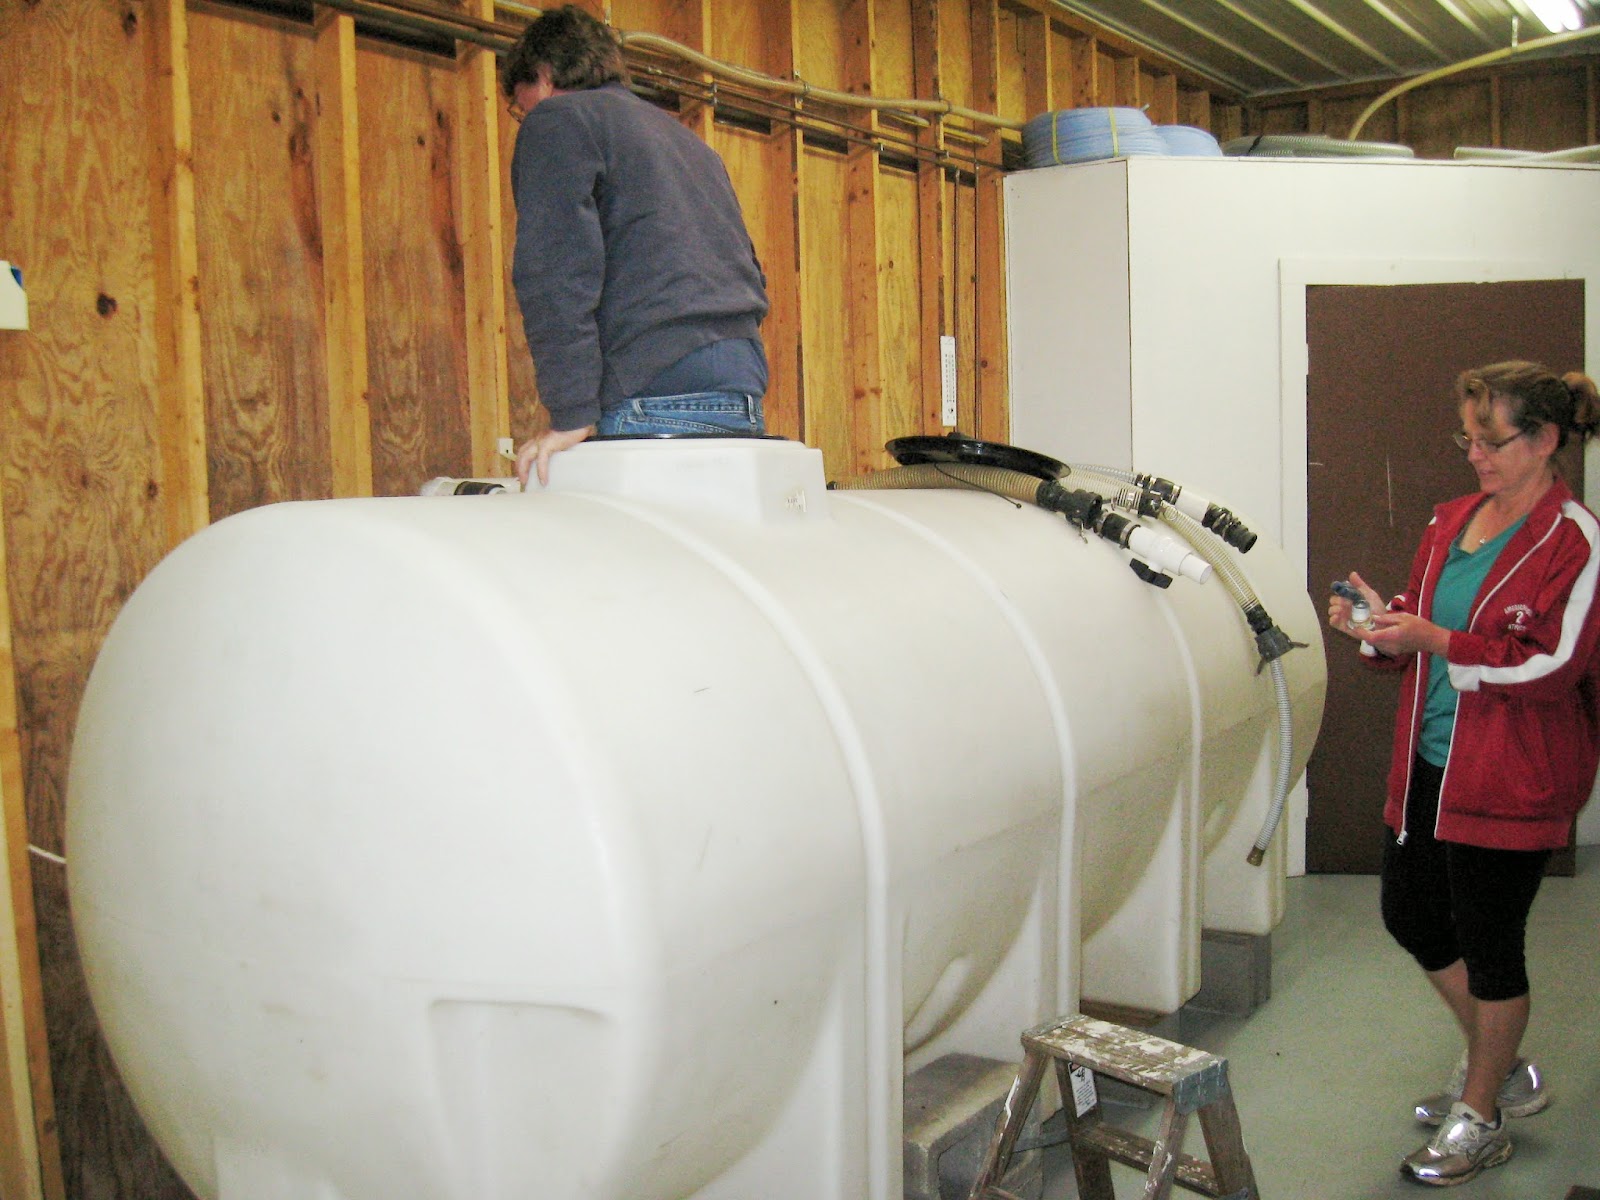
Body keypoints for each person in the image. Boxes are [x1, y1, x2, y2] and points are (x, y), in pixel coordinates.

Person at [1328, 361, 1600, 1186]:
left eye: (1491, 440)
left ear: (1545, 440)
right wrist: (1380, 628)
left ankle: (1481, 1115)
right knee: (1410, 914)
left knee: (1491, 947)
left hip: (1515, 774)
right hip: (1430, 762)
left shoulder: (1575, 540)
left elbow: (1553, 664)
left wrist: (1439, 643)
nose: (1474, 455)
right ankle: (1502, 1065)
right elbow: (1422, 619)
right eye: (1468, 439)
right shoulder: (1451, 520)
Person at [500, 6, 770, 488]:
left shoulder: (559, 120)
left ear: (543, 75)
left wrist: (571, 413)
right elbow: (747, 268)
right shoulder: (694, 148)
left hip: (650, 391)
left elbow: (555, 272)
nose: (526, 118)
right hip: (740, 389)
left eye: (521, 107)